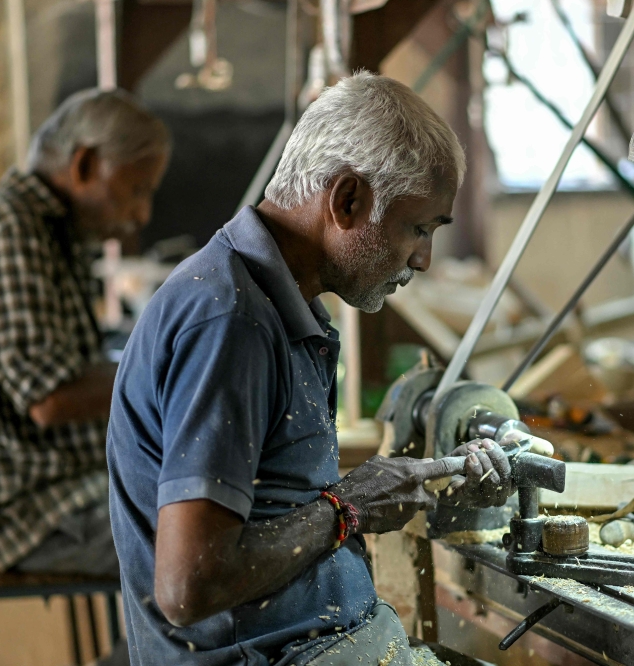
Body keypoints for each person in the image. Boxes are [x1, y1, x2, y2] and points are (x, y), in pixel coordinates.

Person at [107, 72, 515, 665]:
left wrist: (393, 487)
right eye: (418, 229)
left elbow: (273, 496)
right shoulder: (230, 319)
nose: (423, 260)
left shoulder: (281, 307)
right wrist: (349, 509)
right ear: (347, 201)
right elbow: (188, 586)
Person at [0, 89, 169, 578]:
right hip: (14, 509)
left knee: (218, 511)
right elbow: (53, 397)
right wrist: (168, 367)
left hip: (60, 486)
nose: (142, 214)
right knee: (206, 549)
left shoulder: (52, 232)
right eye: (136, 189)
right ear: (83, 165)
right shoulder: (6, 229)